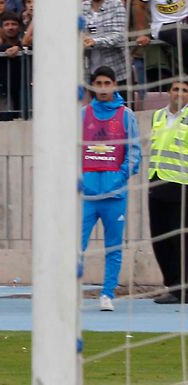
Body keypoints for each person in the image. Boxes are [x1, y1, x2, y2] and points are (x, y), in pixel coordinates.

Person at [80, 66, 141, 312]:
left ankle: (107, 293)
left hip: (115, 195)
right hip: (86, 195)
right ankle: (70, 291)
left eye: (107, 83)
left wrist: (120, 176)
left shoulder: (126, 115)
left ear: (115, 85)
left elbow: (134, 152)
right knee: (75, 246)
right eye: (99, 83)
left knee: (113, 247)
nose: (103, 88)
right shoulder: (82, 114)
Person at [148, 79, 188, 304]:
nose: (179, 93)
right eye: (176, 89)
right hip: (156, 181)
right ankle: (173, 285)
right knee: (159, 238)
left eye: (184, 90)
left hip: (181, 184)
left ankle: (184, 288)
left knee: (179, 239)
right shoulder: (158, 116)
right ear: (169, 92)